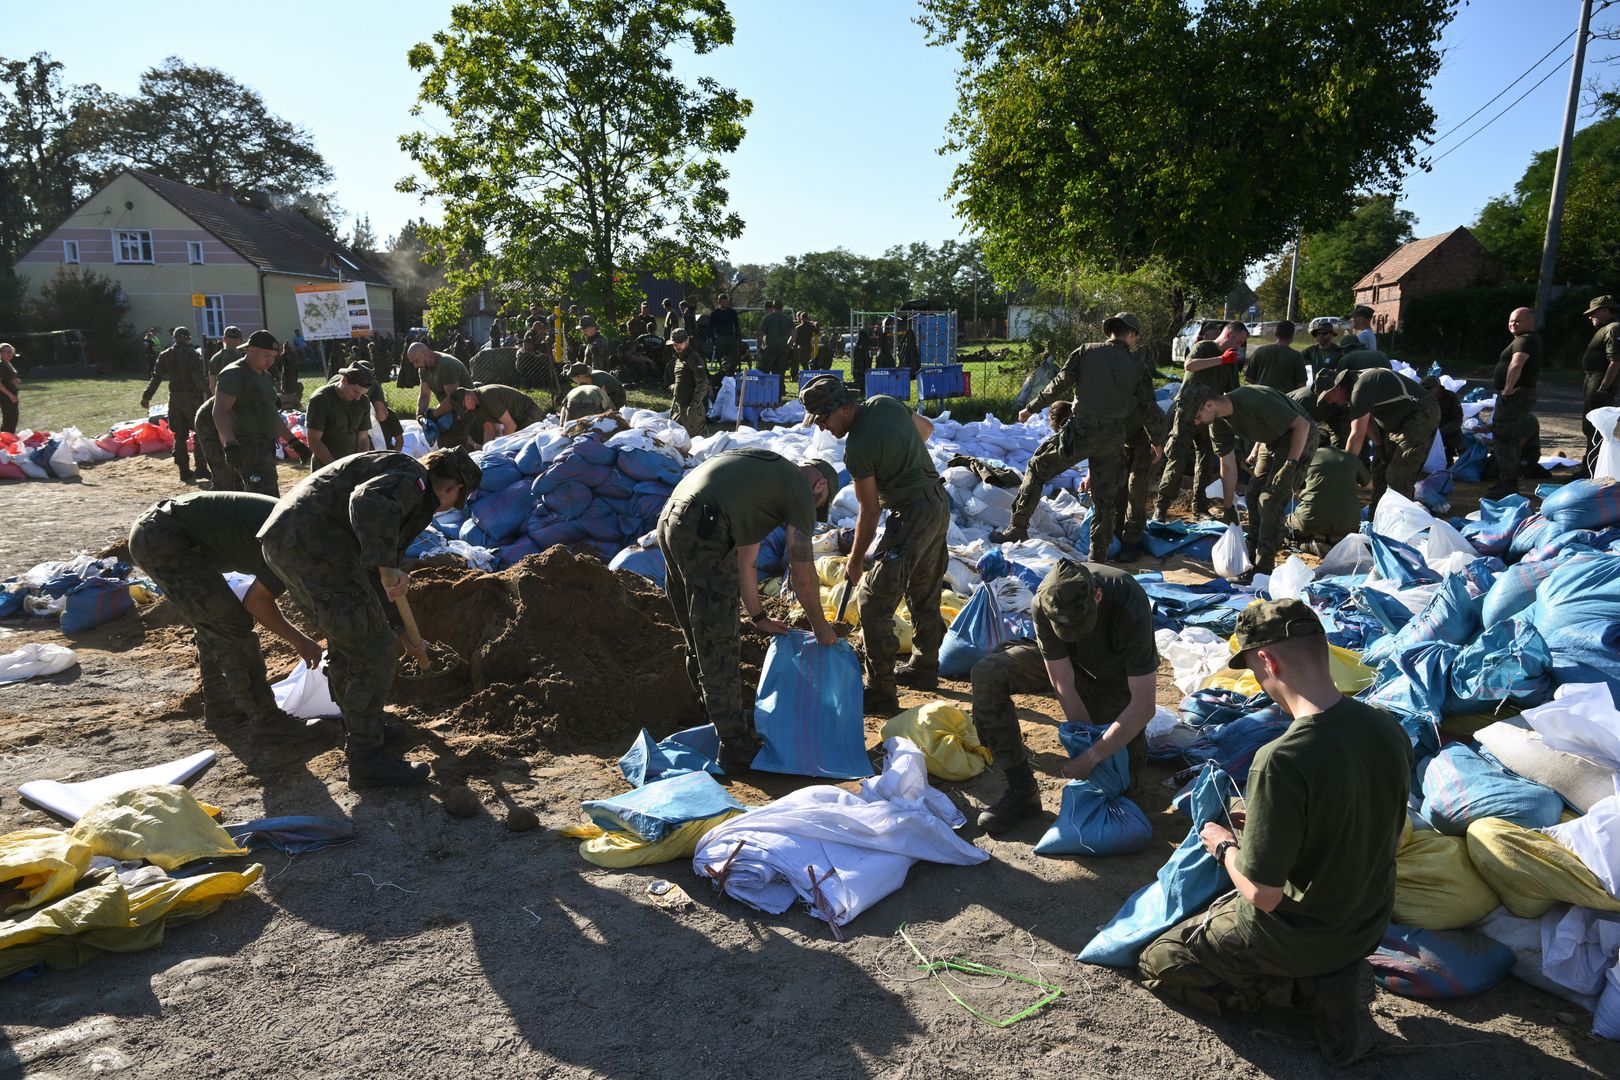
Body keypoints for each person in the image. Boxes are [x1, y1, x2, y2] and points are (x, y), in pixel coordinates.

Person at [1138, 598, 1411, 1065]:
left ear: (1267, 659)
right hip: (1366, 920)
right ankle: (1332, 976)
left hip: (1301, 931)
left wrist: (1223, 845)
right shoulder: (1386, 727)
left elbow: (1263, 894)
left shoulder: (1281, 759)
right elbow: (1355, 815)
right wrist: (1268, 821)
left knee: (1160, 961)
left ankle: (1302, 991)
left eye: (1254, 668)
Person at [258, 448, 482, 787]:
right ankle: (366, 759)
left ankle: (362, 730)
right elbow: (366, 502)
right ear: (454, 488)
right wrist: (386, 564)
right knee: (372, 648)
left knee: (350, 638)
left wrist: (400, 626)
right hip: (313, 547)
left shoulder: (405, 485)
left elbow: (377, 577)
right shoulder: (412, 480)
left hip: (301, 546)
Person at [656, 451, 839, 770]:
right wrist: (820, 625)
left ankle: (713, 716)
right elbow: (801, 565)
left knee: (699, 635)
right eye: (819, 503)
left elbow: (747, 560)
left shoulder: (762, 481)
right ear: (820, 485)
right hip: (705, 524)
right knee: (719, 639)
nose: (812, 510)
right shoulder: (800, 489)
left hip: (672, 519)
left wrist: (758, 617)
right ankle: (733, 742)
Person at [969, 559, 1159, 834]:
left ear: (1097, 595)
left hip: (1114, 680)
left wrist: (1094, 755)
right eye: (1065, 630)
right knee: (988, 673)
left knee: (1122, 778)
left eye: (1080, 626)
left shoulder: (1126, 596)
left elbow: (1144, 705)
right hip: (1071, 668)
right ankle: (1022, 789)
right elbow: (1063, 683)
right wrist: (1084, 741)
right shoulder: (1043, 603)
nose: (1073, 635)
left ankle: (1116, 776)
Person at [802, 374, 947, 714]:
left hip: (912, 513)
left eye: (823, 420)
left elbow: (869, 510)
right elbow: (926, 430)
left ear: (842, 409)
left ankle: (881, 690)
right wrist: (901, 457)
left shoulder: (857, 450)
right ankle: (925, 667)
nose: (822, 429)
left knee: (872, 600)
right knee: (924, 588)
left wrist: (854, 561)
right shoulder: (885, 403)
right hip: (938, 503)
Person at [128, 492, 324, 738]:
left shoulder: (307, 530)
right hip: (163, 540)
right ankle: (267, 721)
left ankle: (222, 709)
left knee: (214, 621)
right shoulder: (295, 544)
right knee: (230, 623)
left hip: (161, 531)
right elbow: (257, 603)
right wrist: (301, 641)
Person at [990, 313, 1161, 560]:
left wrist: (1031, 408)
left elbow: (1059, 383)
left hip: (1081, 431)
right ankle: (1097, 556)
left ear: (1111, 331)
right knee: (1104, 501)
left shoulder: (1086, 352)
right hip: (1114, 438)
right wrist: (1157, 441)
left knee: (1038, 468)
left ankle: (1018, 527)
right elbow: (1148, 407)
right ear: (1132, 334)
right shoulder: (1137, 366)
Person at [1192, 383, 1316, 576]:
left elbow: (1303, 425)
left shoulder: (1253, 400)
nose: (1197, 422)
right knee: (1252, 495)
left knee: (1270, 500)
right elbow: (1228, 465)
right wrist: (1228, 506)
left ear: (1209, 405)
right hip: (1271, 440)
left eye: (1197, 416)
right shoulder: (1216, 424)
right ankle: (1252, 553)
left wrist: (1290, 465)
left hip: (1299, 437)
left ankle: (1263, 566)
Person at [1155, 320, 1246, 521]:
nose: (1239, 346)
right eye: (1238, 341)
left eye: (1241, 343)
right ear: (1229, 335)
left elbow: (1232, 391)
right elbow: (1189, 364)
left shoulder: (1230, 361)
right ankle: (1161, 507)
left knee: (1205, 462)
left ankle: (1199, 506)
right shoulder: (1206, 347)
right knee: (1176, 459)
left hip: (1211, 415)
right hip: (1187, 412)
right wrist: (1221, 359)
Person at [1315, 367, 1438, 509]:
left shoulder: (1360, 387)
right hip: (1398, 421)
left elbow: (1357, 435)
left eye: (1327, 396)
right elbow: (1368, 420)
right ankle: (1377, 518)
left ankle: (1401, 523)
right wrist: (1379, 447)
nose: (1329, 402)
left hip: (1421, 413)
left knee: (1397, 475)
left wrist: (1346, 468)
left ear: (1337, 387)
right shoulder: (1353, 387)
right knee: (1379, 467)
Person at [214, 331, 310, 495]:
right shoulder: (235, 373)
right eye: (266, 355)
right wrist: (230, 444)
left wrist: (294, 442)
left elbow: (270, 415)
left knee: (269, 492)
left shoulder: (265, 377)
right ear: (250, 350)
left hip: (265, 445)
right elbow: (221, 411)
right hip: (246, 445)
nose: (270, 361)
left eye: (273, 357)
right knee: (258, 495)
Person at [142, 326, 212, 484]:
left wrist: (147, 396)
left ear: (174, 338)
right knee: (199, 432)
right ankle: (201, 467)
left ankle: (184, 470)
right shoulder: (192, 354)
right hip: (192, 397)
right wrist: (210, 393)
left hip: (174, 398)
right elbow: (197, 376)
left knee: (179, 436)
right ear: (187, 337)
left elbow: (156, 377)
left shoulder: (165, 355)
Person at [1486, 306, 1541, 499]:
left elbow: (1516, 364)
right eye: (1510, 321)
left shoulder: (1525, 341)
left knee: (1505, 438)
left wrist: (1508, 388)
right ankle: (1506, 481)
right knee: (1507, 437)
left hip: (1514, 396)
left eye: (1517, 320)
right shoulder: (1524, 339)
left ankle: (1508, 484)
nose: (1512, 324)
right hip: (1518, 395)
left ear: (1530, 321)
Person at [1286, 446, 1370, 548]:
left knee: (1281, 526)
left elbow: (1291, 487)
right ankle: (1332, 539)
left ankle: (1307, 544)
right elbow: (1369, 485)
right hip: (1348, 523)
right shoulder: (1351, 458)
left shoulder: (1308, 457)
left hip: (1310, 520)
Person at [305, 364, 377, 468]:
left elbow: (363, 439)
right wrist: (335, 467)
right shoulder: (321, 399)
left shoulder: (363, 401)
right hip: (326, 466)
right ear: (344, 380)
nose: (358, 398)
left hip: (352, 464)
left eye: (362, 393)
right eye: (355, 391)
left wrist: (360, 463)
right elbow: (314, 440)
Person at [1581, 295, 1619, 476]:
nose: (1590, 316)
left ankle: (1593, 469)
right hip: (1591, 381)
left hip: (1599, 382)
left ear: (1606, 311)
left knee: (1596, 428)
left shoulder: (1613, 328)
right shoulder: (1604, 329)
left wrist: (1604, 387)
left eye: (1594, 312)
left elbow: (1616, 361)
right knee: (1589, 427)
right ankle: (1588, 466)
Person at [451, 383, 543, 446]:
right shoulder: (476, 407)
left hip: (530, 414)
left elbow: (511, 426)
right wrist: (486, 451)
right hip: (518, 421)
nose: (467, 411)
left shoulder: (487, 396)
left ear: (467, 398)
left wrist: (498, 446)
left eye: (465, 408)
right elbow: (489, 429)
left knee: (518, 447)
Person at [407, 341, 473, 425]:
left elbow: (453, 399)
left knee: (442, 424)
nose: (415, 366)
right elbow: (424, 395)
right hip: (449, 409)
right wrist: (419, 416)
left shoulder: (446, 365)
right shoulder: (423, 368)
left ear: (425, 355)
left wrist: (433, 415)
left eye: (416, 361)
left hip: (467, 409)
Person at [668, 328, 710, 438]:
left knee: (698, 442)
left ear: (687, 341)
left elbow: (704, 383)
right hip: (679, 409)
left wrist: (694, 406)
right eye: (674, 343)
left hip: (692, 411)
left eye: (680, 343)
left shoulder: (693, 358)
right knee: (678, 442)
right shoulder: (679, 359)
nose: (677, 346)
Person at [1243, 321, 1306, 392]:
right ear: (1292, 336)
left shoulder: (1260, 351)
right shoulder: (1296, 356)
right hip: (1285, 399)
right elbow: (1301, 385)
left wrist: (1261, 386)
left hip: (1262, 396)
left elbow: (1248, 378)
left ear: (1276, 334)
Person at [1423, 376, 1465, 464]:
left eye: (1429, 388)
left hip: (1448, 431)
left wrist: (1440, 433)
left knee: (1458, 444)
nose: (1427, 391)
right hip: (1430, 430)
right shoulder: (1424, 397)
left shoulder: (1451, 397)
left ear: (1438, 387)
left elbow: (1457, 421)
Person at [757, 300, 793, 375]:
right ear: (782, 307)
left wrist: (759, 346)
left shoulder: (767, 318)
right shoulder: (788, 319)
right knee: (779, 375)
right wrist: (788, 345)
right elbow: (794, 334)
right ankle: (779, 386)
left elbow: (760, 333)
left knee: (764, 373)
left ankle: (765, 386)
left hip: (769, 348)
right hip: (782, 349)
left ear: (773, 307)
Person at [207, 327, 245, 396]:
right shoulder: (240, 358)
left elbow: (212, 386)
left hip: (220, 400)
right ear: (240, 340)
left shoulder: (213, 359)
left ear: (224, 339)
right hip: (238, 401)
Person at [709, 293, 742, 373]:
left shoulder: (732, 312)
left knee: (733, 357)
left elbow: (737, 326)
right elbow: (710, 327)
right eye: (723, 302)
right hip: (720, 338)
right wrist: (714, 339)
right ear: (719, 302)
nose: (725, 303)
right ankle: (723, 374)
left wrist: (737, 338)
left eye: (726, 301)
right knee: (721, 357)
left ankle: (732, 373)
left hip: (731, 338)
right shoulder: (715, 313)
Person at [790, 310, 817, 381]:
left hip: (800, 346)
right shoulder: (811, 326)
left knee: (797, 362)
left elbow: (795, 338)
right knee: (805, 363)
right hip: (808, 345)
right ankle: (806, 375)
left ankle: (795, 376)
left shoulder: (798, 327)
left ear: (801, 318)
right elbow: (817, 331)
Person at [0, 342, 19, 434]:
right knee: (9, 420)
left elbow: (6, 378)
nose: (9, 353)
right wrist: (11, 395)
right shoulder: (1, 364)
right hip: (5, 396)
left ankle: (8, 441)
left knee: (13, 419)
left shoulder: (7, 363)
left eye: (10, 351)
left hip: (11, 395)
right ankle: (3, 442)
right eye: (5, 351)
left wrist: (14, 381)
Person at [851, 323, 873, 392]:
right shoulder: (866, 346)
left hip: (857, 368)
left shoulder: (857, 346)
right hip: (864, 368)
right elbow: (868, 358)